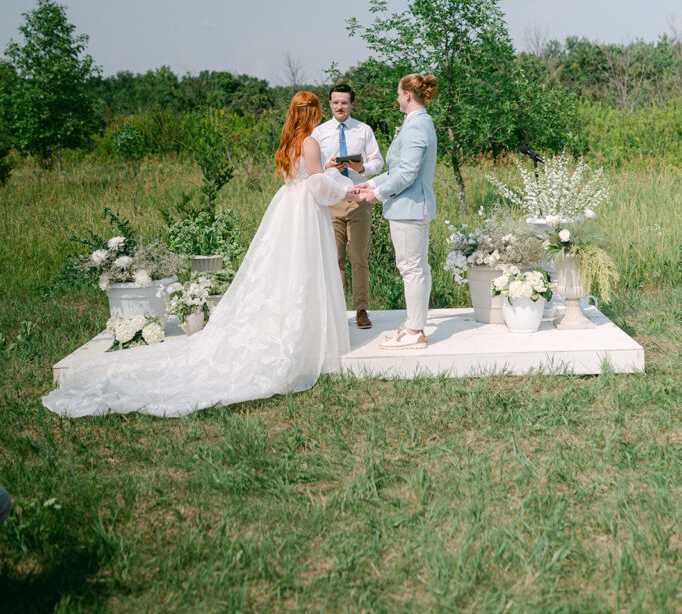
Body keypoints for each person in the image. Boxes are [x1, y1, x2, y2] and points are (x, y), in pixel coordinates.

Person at [43, 92, 354, 418]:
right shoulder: (310, 141)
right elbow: (318, 186)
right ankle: (304, 339)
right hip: (304, 212)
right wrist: (347, 189)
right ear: (315, 112)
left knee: (282, 272)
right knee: (303, 270)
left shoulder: (288, 141)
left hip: (286, 207)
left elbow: (302, 177)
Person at [349, 73, 438, 350]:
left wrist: (376, 194)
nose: (397, 98)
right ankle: (415, 324)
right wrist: (372, 182)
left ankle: (414, 331)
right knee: (418, 268)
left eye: (399, 93)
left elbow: (408, 173)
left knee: (411, 269)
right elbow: (398, 169)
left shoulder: (416, 126)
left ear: (408, 95)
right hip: (410, 207)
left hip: (408, 209)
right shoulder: (417, 122)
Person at [312, 84, 383, 329]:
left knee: (359, 257)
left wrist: (360, 168)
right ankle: (337, 313)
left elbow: (378, 162)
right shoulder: (319, 133)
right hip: (331, 200)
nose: (339, 107)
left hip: (358, 199)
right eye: (335, 102)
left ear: (352, 104)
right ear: (329, 104)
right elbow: (313, 168)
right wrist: (328, 167)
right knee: (334, 259)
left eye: (344, 102)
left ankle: (361, 309)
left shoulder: (363, 130)